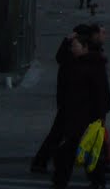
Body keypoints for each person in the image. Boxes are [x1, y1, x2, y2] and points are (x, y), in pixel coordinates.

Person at [52, 27, 110, 189]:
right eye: (72, 46)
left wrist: (100, 116)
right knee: (71, 151)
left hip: (87, 116)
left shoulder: (94, 65)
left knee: (83, 150)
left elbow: (101, 93)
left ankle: (96, 181)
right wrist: (66, 40)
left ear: (85, 47)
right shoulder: (74, 62)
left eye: (75, 45)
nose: (72, 48)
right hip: (73, 114)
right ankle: (66, 181)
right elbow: (60, 57)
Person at [30, 23, 92, 173]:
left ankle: (44, 161)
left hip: (69, 103)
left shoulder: (69, 54)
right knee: (63, 135)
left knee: (60, 135)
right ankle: (49, 162)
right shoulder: (73, 57)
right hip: (70, 104)